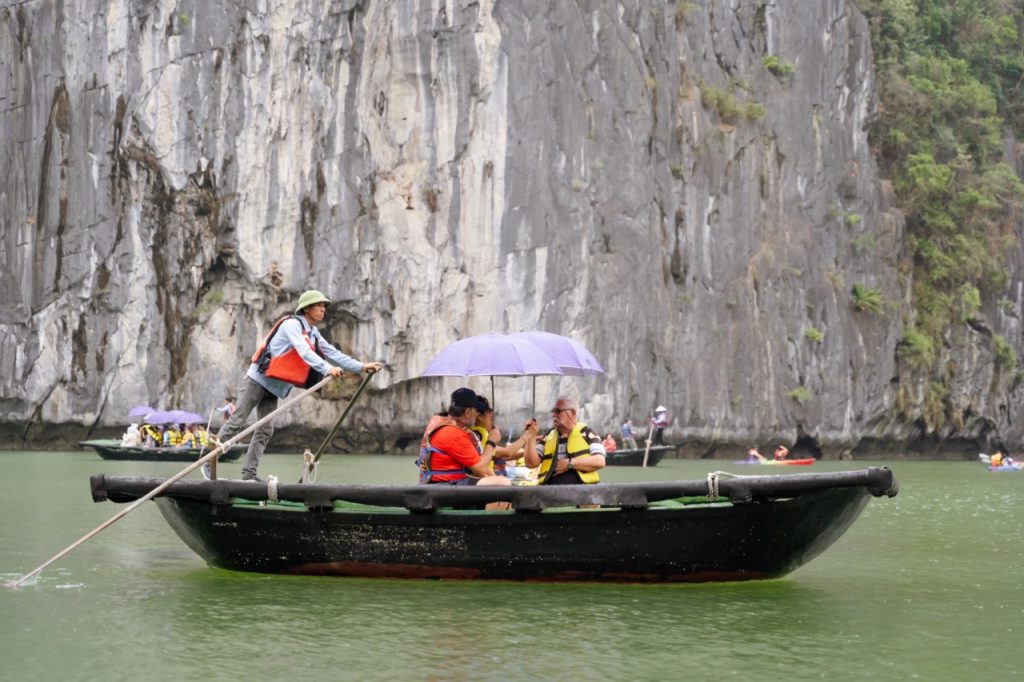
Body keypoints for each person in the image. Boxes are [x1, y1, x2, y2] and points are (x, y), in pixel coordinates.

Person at [212, 290, 383, 481]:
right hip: (257, 380)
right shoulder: (291, 325)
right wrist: (327, 369)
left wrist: (361, 366)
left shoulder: (314, 333)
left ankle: (248, 475)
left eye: (324, 306)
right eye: (319, 305)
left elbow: (333, 353)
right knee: (237, 420)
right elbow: (304, 352)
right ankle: (208, 461)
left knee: (265, 429)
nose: (323, 309)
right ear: (307, 308)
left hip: (273, 388)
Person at [417, 388, 515, 489]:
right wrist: (491, 441)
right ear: (468, 412)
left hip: (445, 482)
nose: (477, 415)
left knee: (498, 480)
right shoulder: (454, 433)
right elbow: (480, 469)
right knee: (502, 483)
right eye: (476, 411)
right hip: (445, 485)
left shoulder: (448, 425)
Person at [525, 395, 606, 485]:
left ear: (572, 412)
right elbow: (531, 463)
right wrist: (530, 436)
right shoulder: (548, 437)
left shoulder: (588, 433)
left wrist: (569, 464)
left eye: (558, 411)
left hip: (582, 493)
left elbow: (600, 461)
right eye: (553, 411)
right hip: (550, 493)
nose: (554, 415)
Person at [471, 396, 538, 477]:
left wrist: (528, 451)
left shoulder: (476, 433)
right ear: (479, 416)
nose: (491, 416)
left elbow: (503, 454)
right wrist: (528, 434)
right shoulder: (480, 435)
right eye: (489, 415)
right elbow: (507, 452)